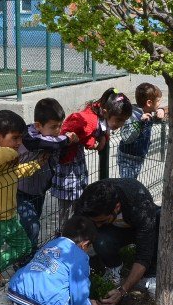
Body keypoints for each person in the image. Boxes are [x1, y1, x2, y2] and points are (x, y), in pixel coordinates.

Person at [0, 109, 42, 291]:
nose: (19, 144)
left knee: (24, 247)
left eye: (21, 139)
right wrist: (15, 153)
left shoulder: (7, 159)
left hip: (9, 218)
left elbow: (17, 172)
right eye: (15, 138)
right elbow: (2, 155)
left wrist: (37, 164)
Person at [6, 215, 98, 305]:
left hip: (18, 302)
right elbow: (78, 298)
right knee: (70, 294)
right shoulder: (80, 257)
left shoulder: (52, 243)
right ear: (85, 244)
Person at [53, 88, 132, 225]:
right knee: (68, 202)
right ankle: (64, 233)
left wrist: (103, 138)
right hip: (68, 163)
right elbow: (79, 134)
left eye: (123, 121)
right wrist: (92, 143)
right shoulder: (87, 120)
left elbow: (103, 129)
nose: (120, 125)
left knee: (78, 199)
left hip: (76, 161)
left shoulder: (100, 113)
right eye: (119, 120)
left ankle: (75, 228)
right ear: (106, 112)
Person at [76, 178, 160, 305]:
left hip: (139, 226)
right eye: (95, 221)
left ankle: (151, 274)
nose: (97, 225)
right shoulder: (88, 201)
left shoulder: (139, 204)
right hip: (115, 229)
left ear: (117, 207)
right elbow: (77, 233)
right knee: (101, 241)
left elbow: (144, 255)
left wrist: (122, 291)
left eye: (102, 221)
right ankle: (113, 268)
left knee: (159, 220)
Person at [16, 98, 79, 248]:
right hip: (22, 191)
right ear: (38, 125)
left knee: (33, 222)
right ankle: (26, 256)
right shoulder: (30, 135)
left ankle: (28, 249)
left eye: (60, 126)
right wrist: (67, 139)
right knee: (32, 225)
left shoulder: (52, 135)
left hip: (39, 190)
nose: (58, 130)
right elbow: (47, 143)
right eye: (54, 127)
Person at [117, 82, 165, 181]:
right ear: (149, 103)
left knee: (133, 182)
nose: (160, 104)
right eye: (159, 101)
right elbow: (127, 138)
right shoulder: (132, 115)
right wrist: (139, 123)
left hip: (139, 157)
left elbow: (157, 119)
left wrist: (161, 110)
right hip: (127, 157)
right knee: (127, 185)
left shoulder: (149, 112)